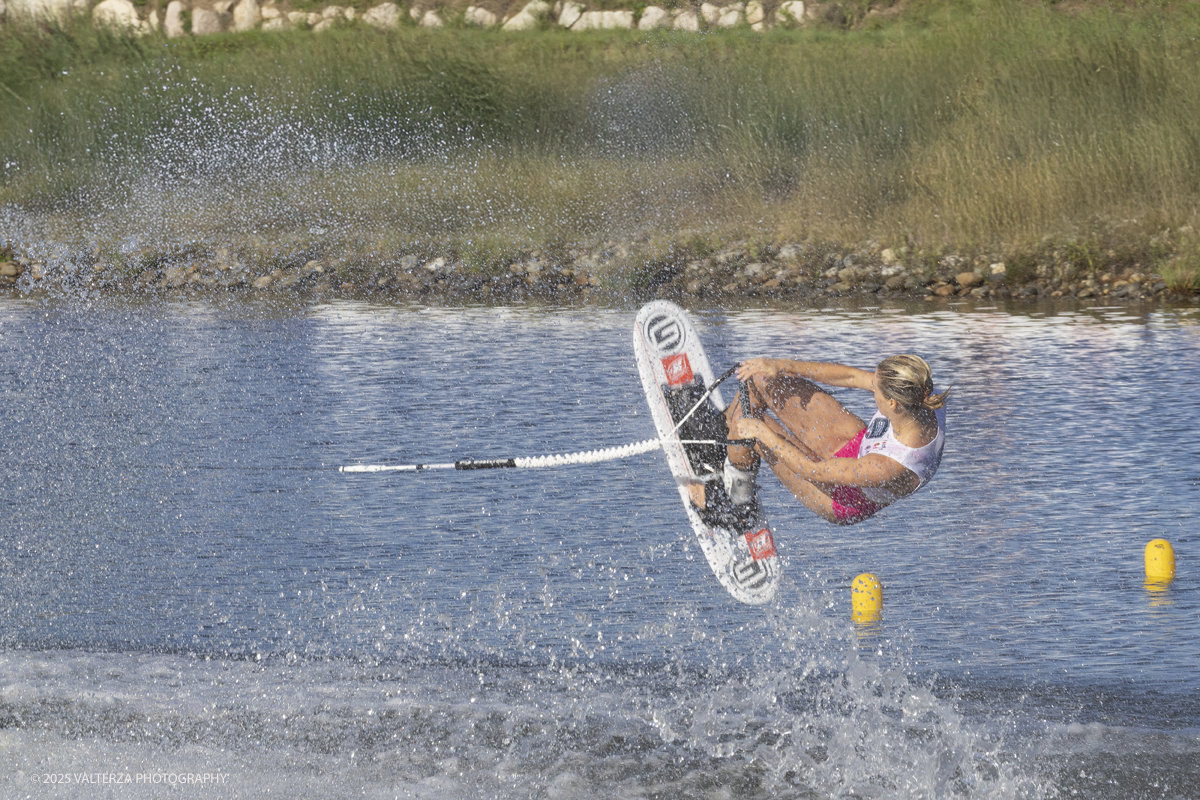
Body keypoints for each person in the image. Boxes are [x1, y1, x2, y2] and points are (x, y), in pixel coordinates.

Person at [709, 355, 949, 525]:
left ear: (892, 403)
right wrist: (781, 365)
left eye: (876, 390)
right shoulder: (920, 394)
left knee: (746, 420)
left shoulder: (890, 465)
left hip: (842, 495)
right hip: (859, 448)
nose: (871, 389)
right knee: (760, 378)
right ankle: (730, 441)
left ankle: (739, 505)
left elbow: (814, 471)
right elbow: (852, 376)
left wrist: (762, 433)